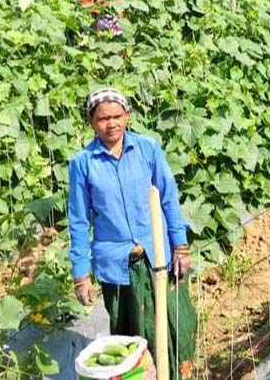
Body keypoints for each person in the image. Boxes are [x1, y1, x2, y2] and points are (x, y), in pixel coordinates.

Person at [68, 88, 197, 379]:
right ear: (91, 122)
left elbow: (169, 198)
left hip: (158, 257)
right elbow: (79, 221)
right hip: (118, 266)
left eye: (117, 116)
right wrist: (81, 275)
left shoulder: (148, 149)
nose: (111, 124)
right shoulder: (83, 164)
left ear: (127, 116)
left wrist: (180, 246)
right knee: (131, 336)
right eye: (103, 119)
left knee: (177, 326)